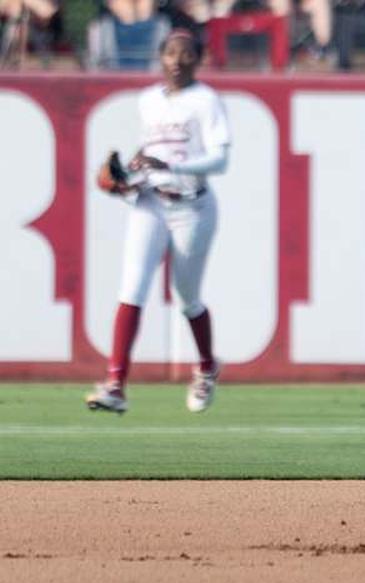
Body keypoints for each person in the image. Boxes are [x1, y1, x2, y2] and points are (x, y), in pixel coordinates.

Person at [85, 29, 228, 415]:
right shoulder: (148, 100)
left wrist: (171, 164)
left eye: (186, 54)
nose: (177, 61)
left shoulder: (206, 100)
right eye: (170, 53)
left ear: (198, 60)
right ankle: (115, 383)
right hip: (150, 202)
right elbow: (149, 154)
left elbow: (219, 160)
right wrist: (125, 179)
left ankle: (206, 366)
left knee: (187, 296)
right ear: (160, 58)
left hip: (192, 206)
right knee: (131, 288)